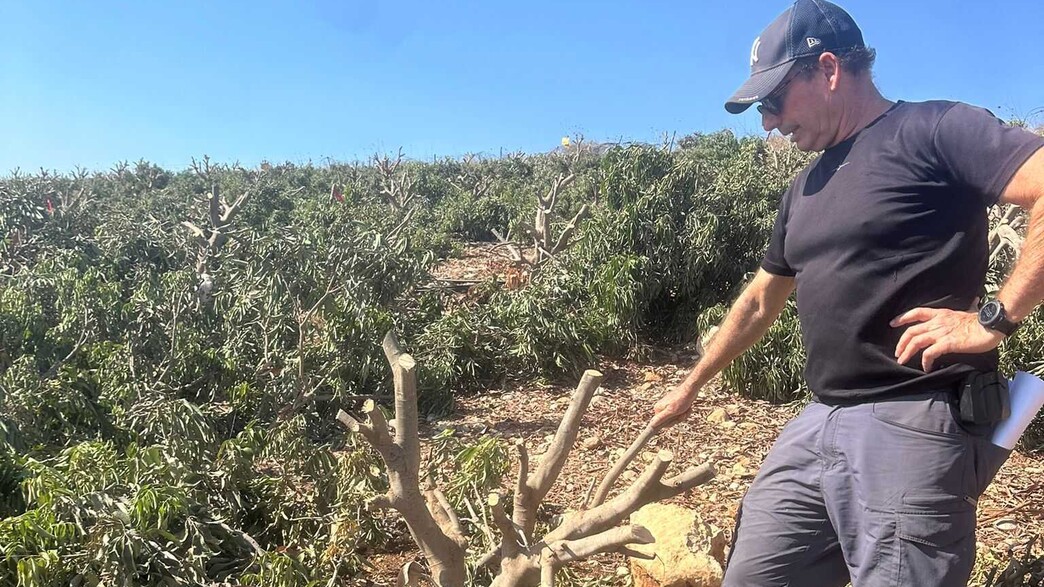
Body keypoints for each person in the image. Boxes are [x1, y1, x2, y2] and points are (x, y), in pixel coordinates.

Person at [650, 1, 1044, 585]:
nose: (769, 122)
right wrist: (690, 385)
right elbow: (761, 299)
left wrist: (993, 319)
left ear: (828, 69)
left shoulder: (934, 129)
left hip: (915, 414)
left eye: (774, 100)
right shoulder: (805, 186)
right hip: (818, 421)